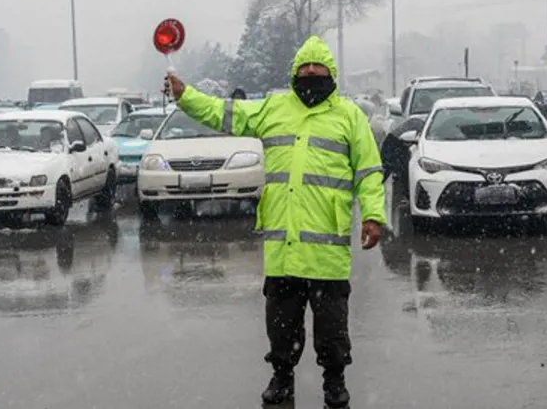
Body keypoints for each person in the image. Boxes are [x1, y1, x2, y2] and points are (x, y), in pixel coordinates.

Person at [164, 35, 386, 409]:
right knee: (281, 326)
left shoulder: (349, 117)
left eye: (318, 69)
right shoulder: (273, 108)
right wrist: (186, 95)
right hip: (283, 250)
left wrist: (374, 215)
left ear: (331, 74)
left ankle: (335, 382)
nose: (311, 74)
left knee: (332, 329)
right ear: (294, 72)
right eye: (304, 68)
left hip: (327, 252)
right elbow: (223, 113)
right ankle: (281, 377)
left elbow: (368, 172)